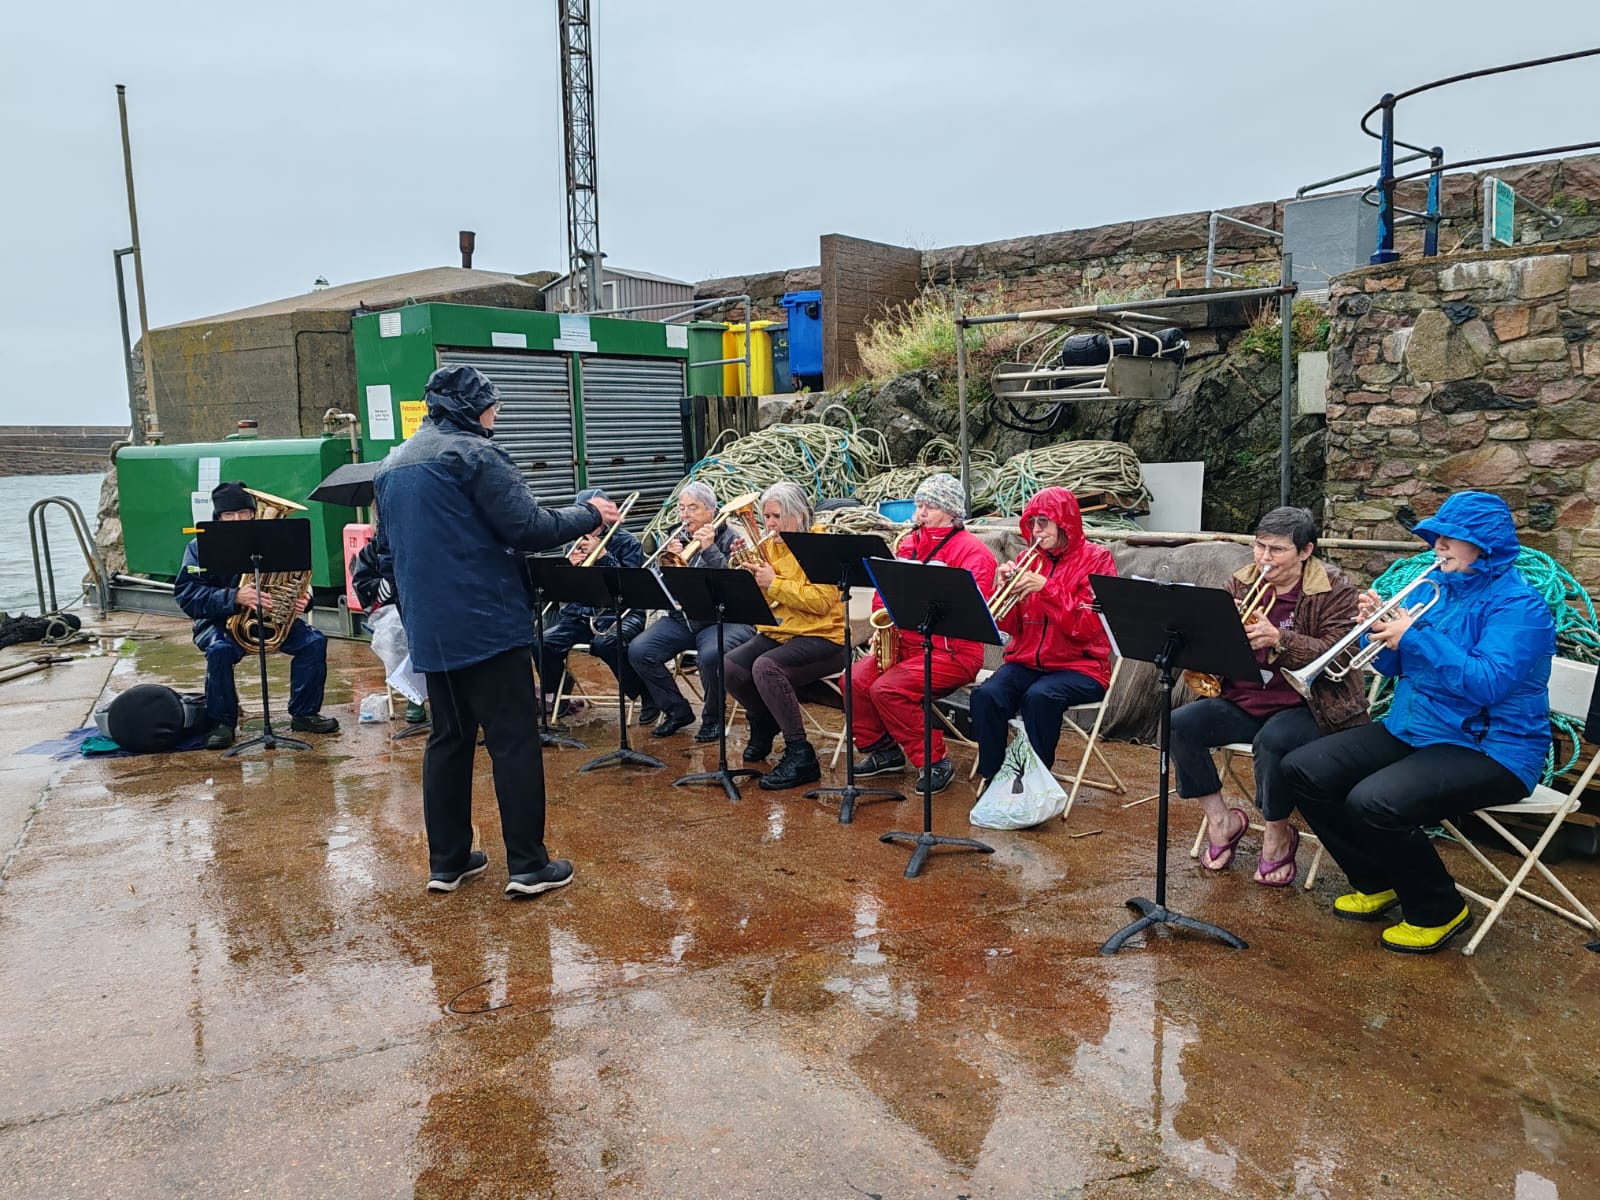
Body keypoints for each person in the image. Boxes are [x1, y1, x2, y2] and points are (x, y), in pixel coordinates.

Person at [374, 364, 619, 897]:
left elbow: (384, 552)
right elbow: (528, 527)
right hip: (487, 623)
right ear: (470, 408)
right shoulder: (475, 454)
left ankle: (449, 861)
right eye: (492, 406)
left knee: (448, 739)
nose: (496, 415)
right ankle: (529, 866)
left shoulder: (391, 465)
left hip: (430, 627)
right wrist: (587, 513)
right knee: (513, 742)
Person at [1281, 490, 1554, 953]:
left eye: (1451, 540)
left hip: (1492, 748)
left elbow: (1486, 683)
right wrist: (1381, 631)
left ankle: (1439, 910)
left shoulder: (1520, 608)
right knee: (1302, 770)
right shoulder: (1441, 592)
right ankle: (1378, 881)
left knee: (1375, 802)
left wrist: (1415, 635)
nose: (1438, 547)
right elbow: (1396, 669)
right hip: (1419, 729)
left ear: (1484, 545)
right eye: (1437, 538)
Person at [1169, 506, 1368, 886]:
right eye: (1259, 547)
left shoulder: (1335, 589)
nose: (1263, 558)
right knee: (1180, 723)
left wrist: (1281, 640)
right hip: (1247, 697)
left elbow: (1340, 653)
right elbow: (1210, 643)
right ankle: (1221, 821)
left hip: (1310, 706)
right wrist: (1220, 631)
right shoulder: (1240, 583)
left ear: (1306, 551)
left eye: (1276, 550)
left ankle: (1277, 835)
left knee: (1273, 740)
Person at [850, 472, 997, 795]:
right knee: (855, 679)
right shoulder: (908, 542)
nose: (919, 513)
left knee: (887, 689)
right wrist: (882, 623)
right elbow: (884, 590)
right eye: (918, 505)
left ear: (950, 511)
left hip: (953, 652)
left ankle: (934, 761)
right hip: (906, 644)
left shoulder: (975, 554)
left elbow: (970, 611)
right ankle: (883, 750)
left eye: (928, 506)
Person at [175, 481, 339, 751]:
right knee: (220, 651)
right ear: (219, 518)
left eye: (244, 513)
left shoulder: (278, 540)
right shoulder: (199, 547)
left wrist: (303, 600)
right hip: (218, 621)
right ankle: (223, 723)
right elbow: (187, 595)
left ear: (254, 514)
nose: (238, 520)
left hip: (271, 619)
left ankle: (304, 714)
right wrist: (234, 598)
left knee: (313, 642)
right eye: (230, 515)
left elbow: (299, 579)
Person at [971, 487, 1117, 791]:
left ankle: (1033, 782)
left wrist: (1046, 587)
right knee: (986, 696)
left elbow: (1086, 627)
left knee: (1039, 697)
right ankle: (994, 777)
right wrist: (1003, 591)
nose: (1036, 531)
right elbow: (1010, 625)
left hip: (1081, 667)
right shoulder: (1027, 558)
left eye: (1043, 523)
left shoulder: (1098, 559)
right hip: (1028, 661)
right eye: (1032, 523)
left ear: (1065, 524)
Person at [722, 481, 847, 791]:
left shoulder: (821, 546)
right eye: (766, 516)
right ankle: (763, 721)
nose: (770, 524)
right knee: (729, 667)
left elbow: (821, 602)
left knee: (766, 667)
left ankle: (800, 753)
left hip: (824, 637)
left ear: (800, 514)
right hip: (782, 631)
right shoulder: (771, 546)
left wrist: (773, 583)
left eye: (777, 516)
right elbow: (766, 603)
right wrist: (747, 574)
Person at [628, 482, 755, 742]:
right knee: (640, 650)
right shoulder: (677, 535)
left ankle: (713, 720)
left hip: (725, 619)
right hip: (685, 617)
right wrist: (667, 564)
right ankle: (677, 711)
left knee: (710, 656)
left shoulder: (733, 539)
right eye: (681, 508)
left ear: (711, 511)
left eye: (693, 508)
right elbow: (663, 587)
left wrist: (709, 550)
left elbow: (738, 587)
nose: (685, 515)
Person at [534, 487, 655, 726]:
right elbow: (562, 591)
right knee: (541, 642)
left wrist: (603, 556)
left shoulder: (627, 542)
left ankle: (643, 694)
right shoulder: (573, 542)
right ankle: (557, 692)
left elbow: (630, 589)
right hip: (579, 615)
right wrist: (566, 569)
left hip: (618, 615)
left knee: (607, 643)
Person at [351, 524, 426, 725]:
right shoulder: (370, 551)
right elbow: (363, 586)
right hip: (388, 610)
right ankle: (414, 694)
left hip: (423, 603)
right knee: (396, 635)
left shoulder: (420, 539)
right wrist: (389, 581)